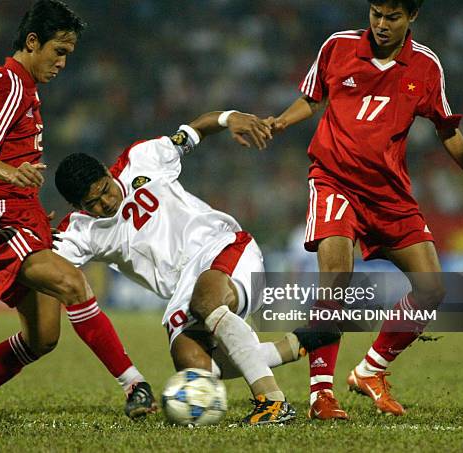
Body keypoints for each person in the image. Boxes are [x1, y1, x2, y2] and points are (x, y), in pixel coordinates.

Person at [0, 0, 156, 423]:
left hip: (20, 213)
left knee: (43, 337)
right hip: (3, 216)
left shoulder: (5, 84)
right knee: (73, 283)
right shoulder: (12, 86)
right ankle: (135, 384)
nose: (62, 63)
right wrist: (9, 175)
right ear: (33, 41)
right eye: (59, 51)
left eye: (68, 55)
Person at [265, 0, 463, 419]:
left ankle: (371, 370)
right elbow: (312, 98)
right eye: (375, 13)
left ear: (412, 17)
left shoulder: (426, 66)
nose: (381, 24)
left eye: (392, 17)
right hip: (334, 179)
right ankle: (321, 393)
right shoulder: (337, 47)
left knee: (432, 289)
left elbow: (448, 131)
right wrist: (282, 122)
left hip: (389, 193)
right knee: (336, 278)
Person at [52, 110, 303, 425]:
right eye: (94, 203)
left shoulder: (142, 158)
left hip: (224, 246)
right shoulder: (77, 232)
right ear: (77, 207)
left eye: (105, 189)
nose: (107, 202)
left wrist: (229, 118)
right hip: (185, 287)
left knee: (206, 302)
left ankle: (273, 403)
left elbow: (196, 130)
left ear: (106, 170)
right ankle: (291, 347)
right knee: (193, 362)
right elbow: (44, 267)